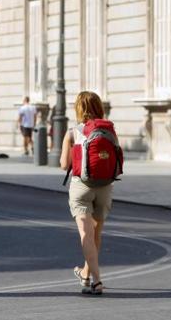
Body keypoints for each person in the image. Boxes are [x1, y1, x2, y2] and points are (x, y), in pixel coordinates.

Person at [60, 91, 115, 295]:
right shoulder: (109, 129)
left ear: (78, 109)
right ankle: (85, 273)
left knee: (86, 234)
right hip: (105, 187)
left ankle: (97, 281)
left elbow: (64, 164)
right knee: (96, 234)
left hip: (81, 186)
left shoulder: (73, 132)